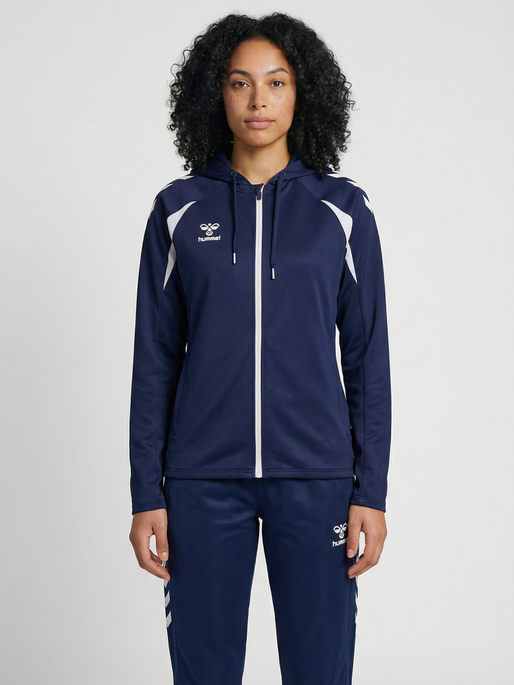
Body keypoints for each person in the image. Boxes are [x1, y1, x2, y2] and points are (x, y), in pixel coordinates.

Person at [128, 12, 391, 685]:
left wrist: (371, 491)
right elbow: (154, 360)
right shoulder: (177, 210)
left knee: (319, 672)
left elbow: (368, 359)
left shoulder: (343, 212)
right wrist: (145, 493)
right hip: (202, 482)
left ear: (303, 93)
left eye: (276, 82)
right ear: (216, 94)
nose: (258, 101)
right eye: (240, 83)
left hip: (317, 479)